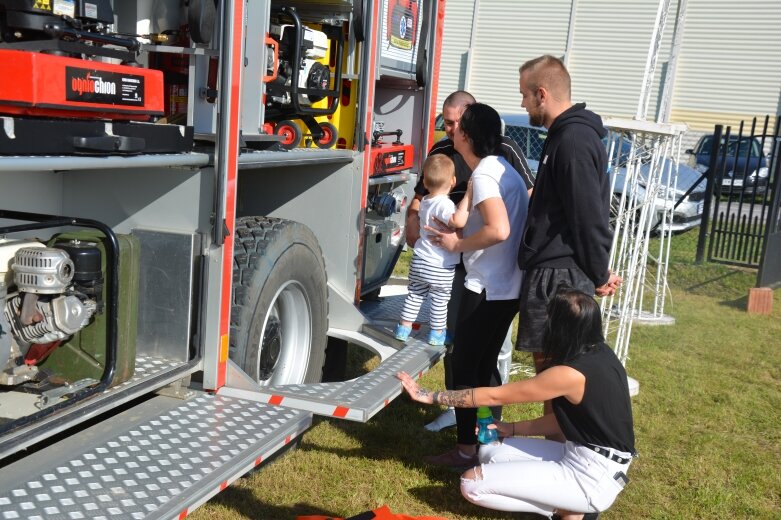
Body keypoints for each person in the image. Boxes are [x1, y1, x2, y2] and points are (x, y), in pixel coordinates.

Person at [397, 287, 636, 520]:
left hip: (593, 475)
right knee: (489, 451)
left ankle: (570, 510)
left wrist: (430, 396)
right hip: (582, 454)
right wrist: (511, 429)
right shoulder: (602, 353)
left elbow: (495, 396)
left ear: (560, 329)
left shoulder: (569, 374)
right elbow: (568, 421)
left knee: (471, 483)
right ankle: (570, 505)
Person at [405, 90, 534, 432]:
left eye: (456, 125)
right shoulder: (491, 168)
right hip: (500, 283)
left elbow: (499, 229)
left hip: (488, 284)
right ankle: (486, 432)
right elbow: (466, 214)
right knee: (481, 365)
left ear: (467, 132)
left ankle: (467, 444)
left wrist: (457, 244)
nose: (450, 129)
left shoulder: (487, 173)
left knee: (467, 365)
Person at [515, 55, 622, 383]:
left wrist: (599, 272)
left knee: (555, 381)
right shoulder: (565, 135)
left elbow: (588, 217)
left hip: (559, 279)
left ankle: (561, 437)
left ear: (542, 94)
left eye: (524, 94)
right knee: (553, 379)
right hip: (557, 272)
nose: (522, 103)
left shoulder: (573, 141)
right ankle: (559, 436)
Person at [394, 154, 469, 346]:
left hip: (420, 259)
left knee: (415, 294)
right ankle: (437, 334)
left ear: (425, 182)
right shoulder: (444, 204)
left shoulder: (426, 200)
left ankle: (403, 328)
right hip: (439, 265)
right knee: (440, 300)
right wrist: (468, 198)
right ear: (453, 181)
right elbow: (457, 221)